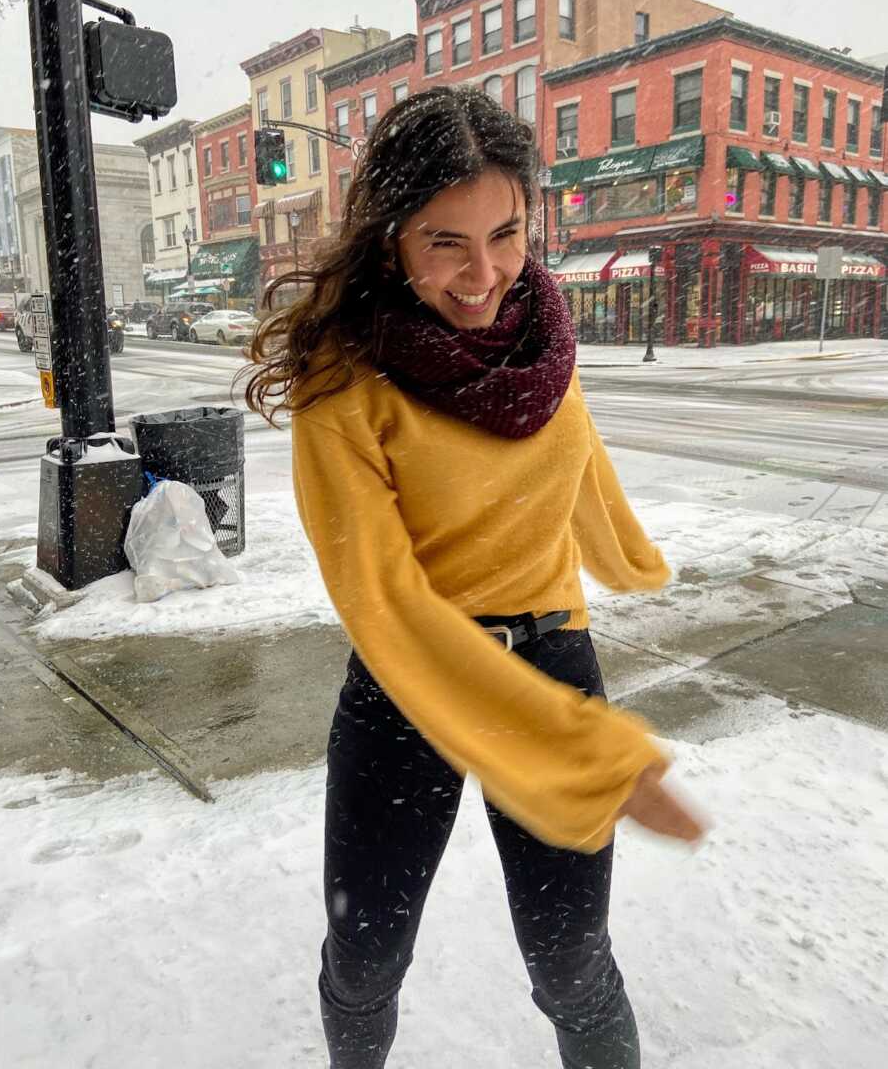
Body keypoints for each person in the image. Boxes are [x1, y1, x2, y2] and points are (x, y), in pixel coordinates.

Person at [245, 86, 705, 1069]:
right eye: (446, 241)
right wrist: (595, 761)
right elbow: (387, 605)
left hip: (551, 659)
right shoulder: (348, 388)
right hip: (406, 689)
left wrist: (627, 554)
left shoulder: (544, 343)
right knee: (366, 960)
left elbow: (570, 456)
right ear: (391, 240)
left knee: (572, 965)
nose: (485, 272)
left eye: (506, 233)